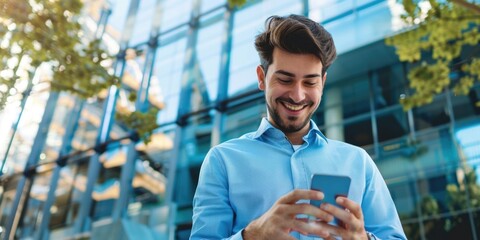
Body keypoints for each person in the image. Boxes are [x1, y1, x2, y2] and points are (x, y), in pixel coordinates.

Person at [190, 14, 407, 240]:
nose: (297, 95)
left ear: (322, 83)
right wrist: (251, 236)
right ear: (262, 77)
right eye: (285, 80)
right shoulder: (223, 160)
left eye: (310, 82)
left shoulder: (358, 162)